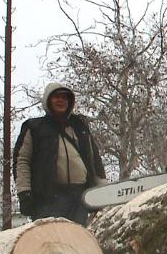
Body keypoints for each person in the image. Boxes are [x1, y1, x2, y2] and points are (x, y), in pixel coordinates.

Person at [13, 83, 106, 226]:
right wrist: (24, 192)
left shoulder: (79, 126)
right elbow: (22, 161)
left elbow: (94, 158)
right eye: (57, 97)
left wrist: (101, 186)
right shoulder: (35, 127)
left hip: (80, 196)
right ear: (48, 100)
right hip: (48, 198)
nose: (61, 100)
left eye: (64, 97)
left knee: (77, 241)